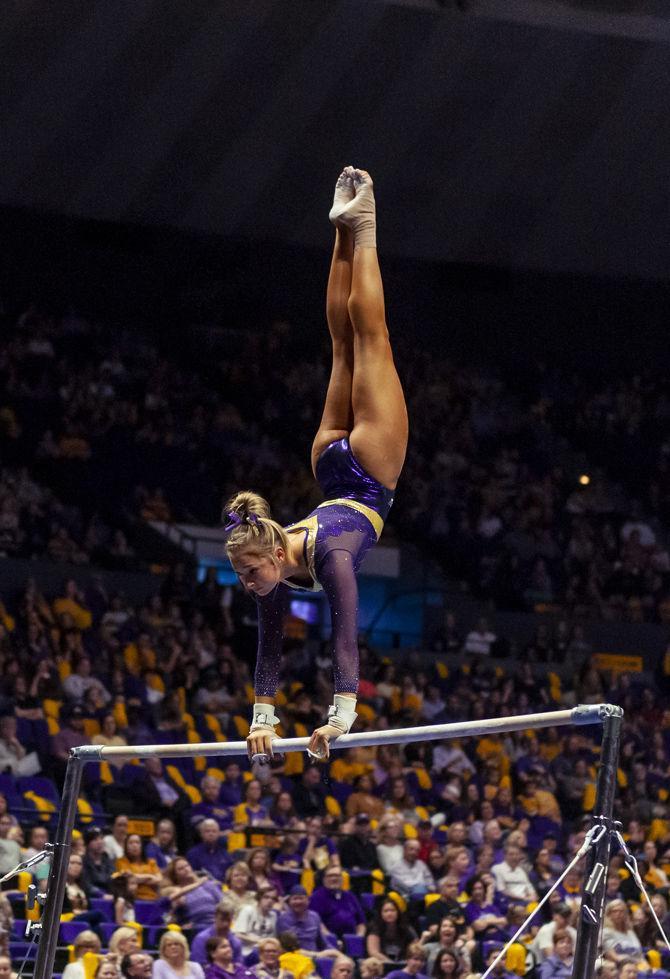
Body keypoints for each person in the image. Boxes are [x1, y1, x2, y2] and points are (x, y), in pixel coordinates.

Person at [228, 167, 408, 761]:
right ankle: (342, 229)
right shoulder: (282, 568)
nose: (249, 586)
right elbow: (270, 649)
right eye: (246, 577)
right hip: (332, 469)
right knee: (346, 339)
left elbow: (347, 638)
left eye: (250, 574)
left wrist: (343, 716)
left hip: (361, 471)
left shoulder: (330, 559)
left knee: (365, 336)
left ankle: (360, 226)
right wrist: (262, 719)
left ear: (275, 554)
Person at [161, 857, 224, 930]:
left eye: (187, 865)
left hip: (215, 925)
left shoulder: (207, 885)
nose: (186, 869)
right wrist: (180, 926)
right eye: (181, 869)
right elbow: (169, 920)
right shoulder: (176, 892)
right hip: (194, 928)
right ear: (175, 876)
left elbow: (223, 905)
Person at [308, 867, 365, 938]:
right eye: (330, 876)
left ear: (342, 878)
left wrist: (359, 937)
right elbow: (317, 923)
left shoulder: (350, 896)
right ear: (324, 879)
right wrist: (331, 939)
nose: (334, 878)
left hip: (352, 940)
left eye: (337, 875)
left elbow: (361, 922)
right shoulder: (316, 897)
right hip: (328, 941)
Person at [276, 885, 334, 952]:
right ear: (289, 902)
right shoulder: (283, 920)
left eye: (301, 898)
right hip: (294, 957)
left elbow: (323, 943)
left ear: (308, 901)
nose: (298, 902)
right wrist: (314, 955)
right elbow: (288, 948)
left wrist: (336, 953)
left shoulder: (315, 917)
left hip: (316, 957)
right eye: (295, 899)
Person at [191, 900, 243, 968]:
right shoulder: (201, 939)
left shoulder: (236, 942)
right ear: (215, 918)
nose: (225, 924)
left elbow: (238, 966)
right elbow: (199, 966)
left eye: (228, 920)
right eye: (222, 920)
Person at [365, 898, 417, 963]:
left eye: (393, 910)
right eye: (386, 911)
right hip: (380, 962)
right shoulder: (374, 927)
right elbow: (373, 952)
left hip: (402, 962)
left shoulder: (406, 927)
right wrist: (391, 963)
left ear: (398, 912)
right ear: (381, 913)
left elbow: (416, 947)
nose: (389, 914)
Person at [232, 886, 279, 955]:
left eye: (273, 899)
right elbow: (237, 935)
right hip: (247, 951)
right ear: (259, 898)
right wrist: (259, 941)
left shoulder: (273, 915)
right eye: (266, 897)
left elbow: (273, 938)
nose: (270, 901)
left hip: (266, 951)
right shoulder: (248, 910)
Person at [115, 834, 161, 900]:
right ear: (126, 847)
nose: (134, 845)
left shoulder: (151, 862)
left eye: (137, 842)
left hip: (152, 898)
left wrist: (139, 879)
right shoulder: (121, 861)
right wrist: (150, 877)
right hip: (134, 899)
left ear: (142, 846)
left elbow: (159, 880)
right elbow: (130, 878)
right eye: (131, 843)